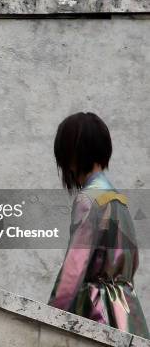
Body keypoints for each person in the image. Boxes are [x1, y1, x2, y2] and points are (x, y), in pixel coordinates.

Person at [49, 112, 148, 337]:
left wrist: (49, 318)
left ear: (71, 156)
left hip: (98, 313)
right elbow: (133, 261)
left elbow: (74, 268)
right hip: (128, 313)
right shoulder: (118, 200)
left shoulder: (89, 199)